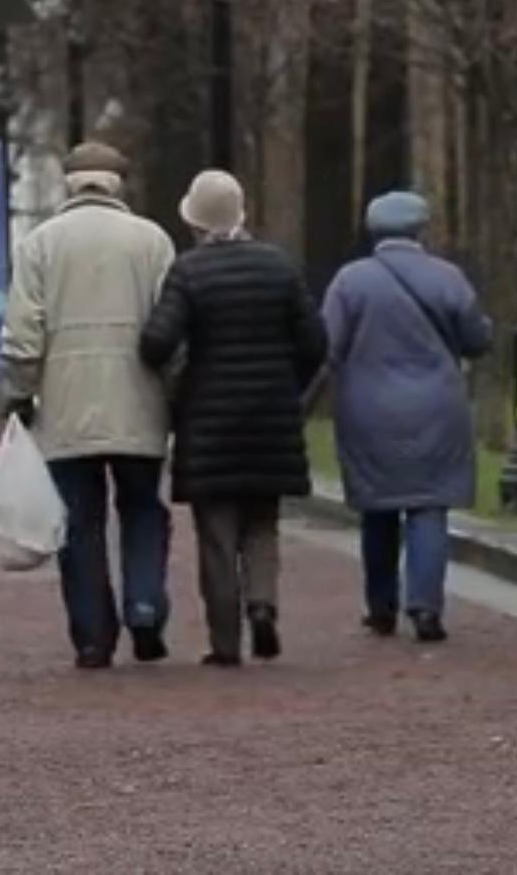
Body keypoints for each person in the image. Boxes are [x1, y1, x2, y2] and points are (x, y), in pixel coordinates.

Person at [0, 142, 178, 669]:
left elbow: (23, 335)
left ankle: (92, 636)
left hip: (65, 402)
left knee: (79, 522)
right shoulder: (152, 241)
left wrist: (20, 390)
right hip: (139, 399)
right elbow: (171, 326)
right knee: (143, 508)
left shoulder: (39, 245)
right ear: (119, 183)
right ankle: (144, 605)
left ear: (69, 184)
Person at [139, 170, 326, 667]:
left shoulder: (189, 272)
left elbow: (156, 340)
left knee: (217, 533)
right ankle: (262, 603)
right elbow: (315, 342)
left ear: (194, 221)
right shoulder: (278, 266)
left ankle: (225, 641)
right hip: (271, 414)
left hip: (209, 418)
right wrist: (288, 383)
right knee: (263, 521)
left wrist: (178, 381)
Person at [319, 191, 493, 643]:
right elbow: (476, 339)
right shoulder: (447, 278)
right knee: (428, 505)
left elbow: (328, 346)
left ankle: (381, 606)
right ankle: (426, 606)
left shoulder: (350, 281)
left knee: (377, 506)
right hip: (437, 405)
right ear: (421, 229)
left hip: (368, 407)